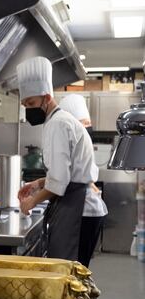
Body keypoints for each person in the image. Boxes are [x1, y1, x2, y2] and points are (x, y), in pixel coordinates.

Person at [17, 56, 97, 261]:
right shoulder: (58, 121)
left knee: (68, 276)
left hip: (77, 208)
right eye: (25, 104)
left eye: (32, 102)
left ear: (46, 97)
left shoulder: (58, 124)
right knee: (72, 277)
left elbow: (60, 183)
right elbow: (65, 175)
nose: (29, 108)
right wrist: (39, 183)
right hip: (77, 205)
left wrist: (31, 202)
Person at [59, 93, 108, 266]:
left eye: (87, 123)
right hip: (89, 208)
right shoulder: (74, 139)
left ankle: (80, 293)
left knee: (78, 268)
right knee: (80, 267)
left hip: (85, 211)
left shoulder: (77, 138)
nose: (87, 127)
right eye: (83, 123)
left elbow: (65, 176)